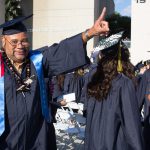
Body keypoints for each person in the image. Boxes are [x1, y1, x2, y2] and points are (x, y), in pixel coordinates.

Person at [0, 7, 109, 150]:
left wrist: (90, 33)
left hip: (37, 138)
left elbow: (61, 50)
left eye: (24, 41)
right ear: (3, 42)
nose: (20, 46)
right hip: (7, 140)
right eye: (14, 42)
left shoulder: (37, 61)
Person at [82, 32, 144, 150]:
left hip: (93, 143)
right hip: (115, 144)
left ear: (101, 56)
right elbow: (131, 128)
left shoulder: (94, 80)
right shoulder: (123, 83)